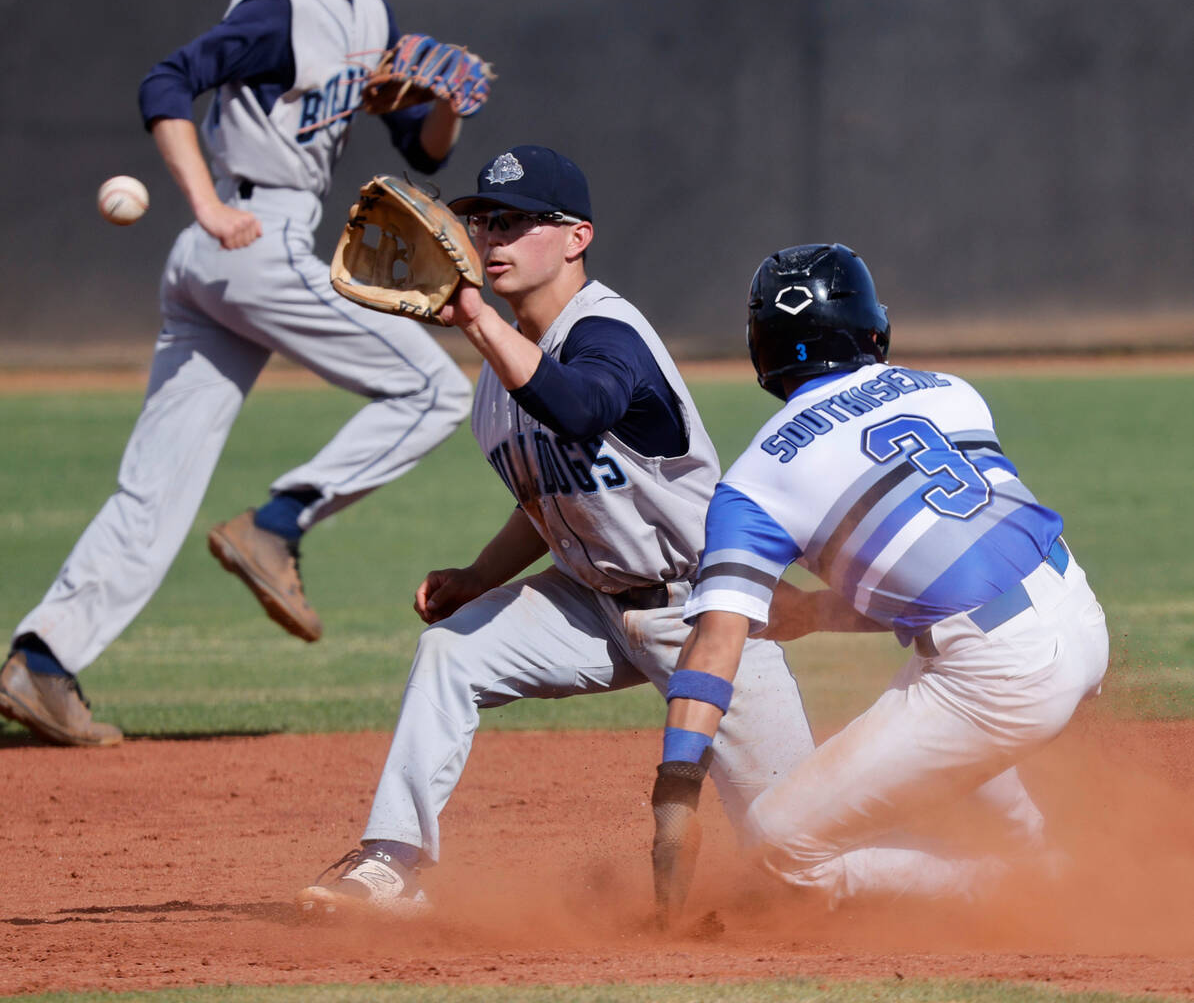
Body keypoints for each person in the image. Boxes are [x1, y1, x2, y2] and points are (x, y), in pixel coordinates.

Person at [0, 0, 476, 749]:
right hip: (258, 238)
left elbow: (417, 145)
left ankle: (44, 663)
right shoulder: (282, 5)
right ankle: (278, 523)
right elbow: (167, 81)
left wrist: (444, 101)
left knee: (156, 487)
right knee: (434, 388)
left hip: (223, 264)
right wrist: (210, 203)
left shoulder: (367, 17)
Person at [294, 145, 815, 919]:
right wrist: (479, 577)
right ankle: (389, 865)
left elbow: (578, 408)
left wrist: (471, 316)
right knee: (449, 651)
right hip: (591, 605)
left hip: (705, 612)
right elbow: (550, 498)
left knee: (803, 855)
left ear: (577, 237)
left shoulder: (611, 335)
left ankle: (974, 877)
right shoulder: (495, 384)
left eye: (519, 222)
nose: (493, 239)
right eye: (484, 221)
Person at [653, 242, 1109, 907]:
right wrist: (812, 614)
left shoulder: (752, 483)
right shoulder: (950, 391)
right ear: (872, 328)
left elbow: (716, 645)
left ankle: (1025, 889)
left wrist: (677, 790)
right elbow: (952, 570)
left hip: (996, 678)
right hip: (1076, 615)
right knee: (936, 681)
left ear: (762, 347)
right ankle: (1032, 849)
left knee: (780, 850)